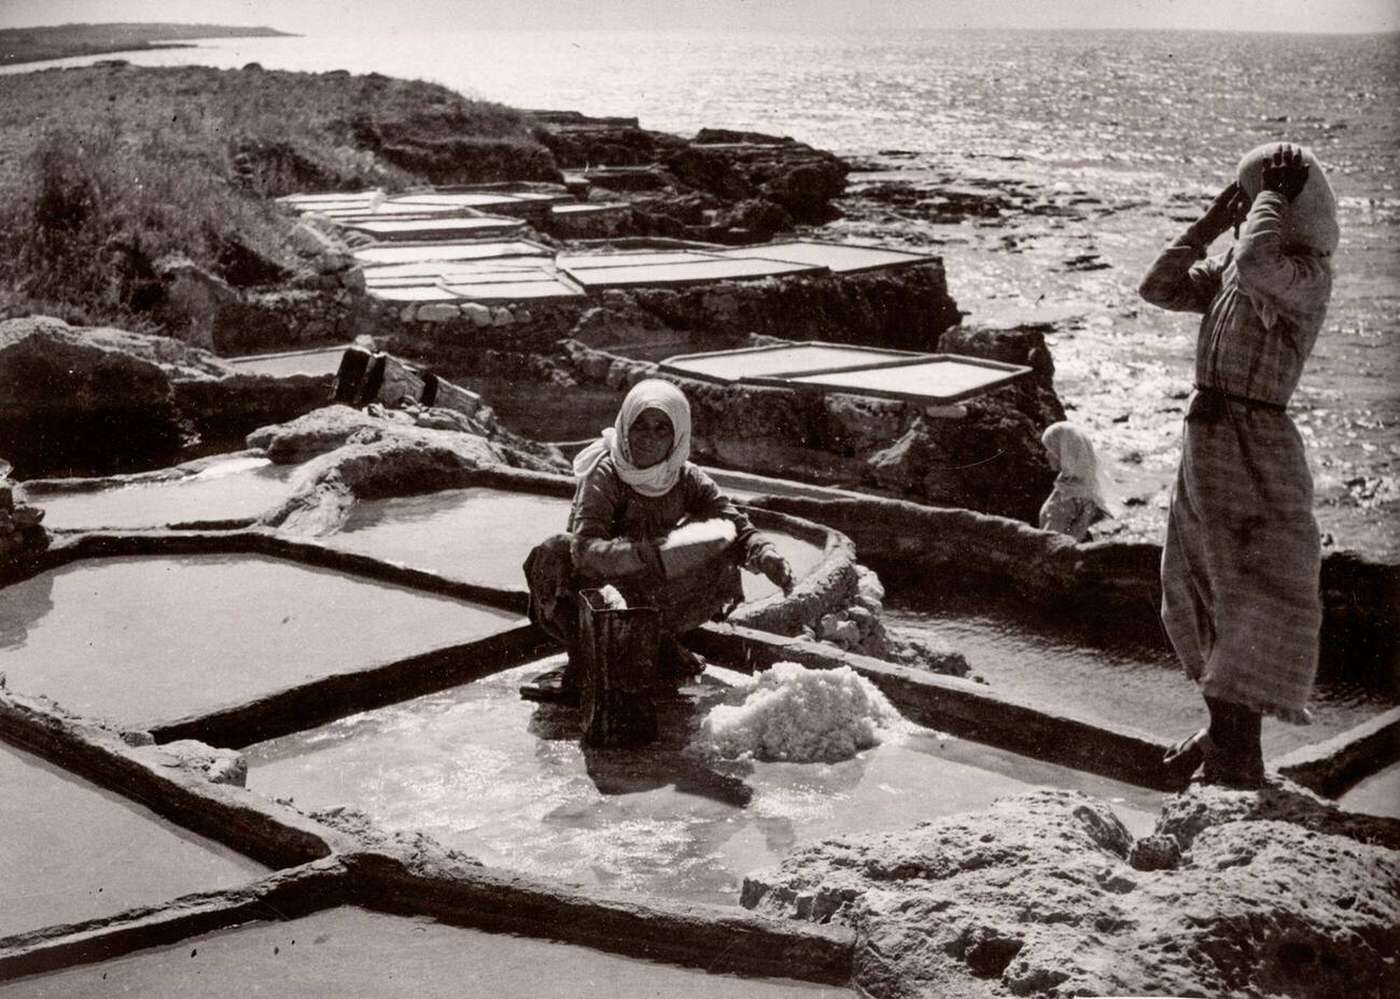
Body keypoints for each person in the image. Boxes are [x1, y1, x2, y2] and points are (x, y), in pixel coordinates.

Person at [1139, 142, 1338, 788]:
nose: (1250, 210)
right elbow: (1158, 287)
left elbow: (1256, 259)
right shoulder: (1234, 269)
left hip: (1256, 446)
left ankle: (1234, 752)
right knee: (1192, 585)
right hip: (1209, 438)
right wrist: (1207, 226)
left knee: (1248, 596)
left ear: (1288, 207)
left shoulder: (1305, 277)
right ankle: (1221, 734)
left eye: (1260, 200)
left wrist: (1269, 197)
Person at [522, 378, 795, 704]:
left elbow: (735, 524)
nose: (648, 438)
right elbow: (585, 551)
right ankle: (582, 659)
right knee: (554, 552)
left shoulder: (686, 477)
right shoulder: (605, 474)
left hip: (649, 582)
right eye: (640, 425)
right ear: (626, 427)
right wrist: (652, 555)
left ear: (676, 436)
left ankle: (660, 641)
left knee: (719, 542)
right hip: (599, 584)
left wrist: (764, 554)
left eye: (661, 429)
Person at [1038, 421, 1118, 542]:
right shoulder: (1085, 487)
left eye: (1051, 450)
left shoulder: (1066, 497)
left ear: (1065, 454)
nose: (1046, 455)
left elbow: (1052, 543)